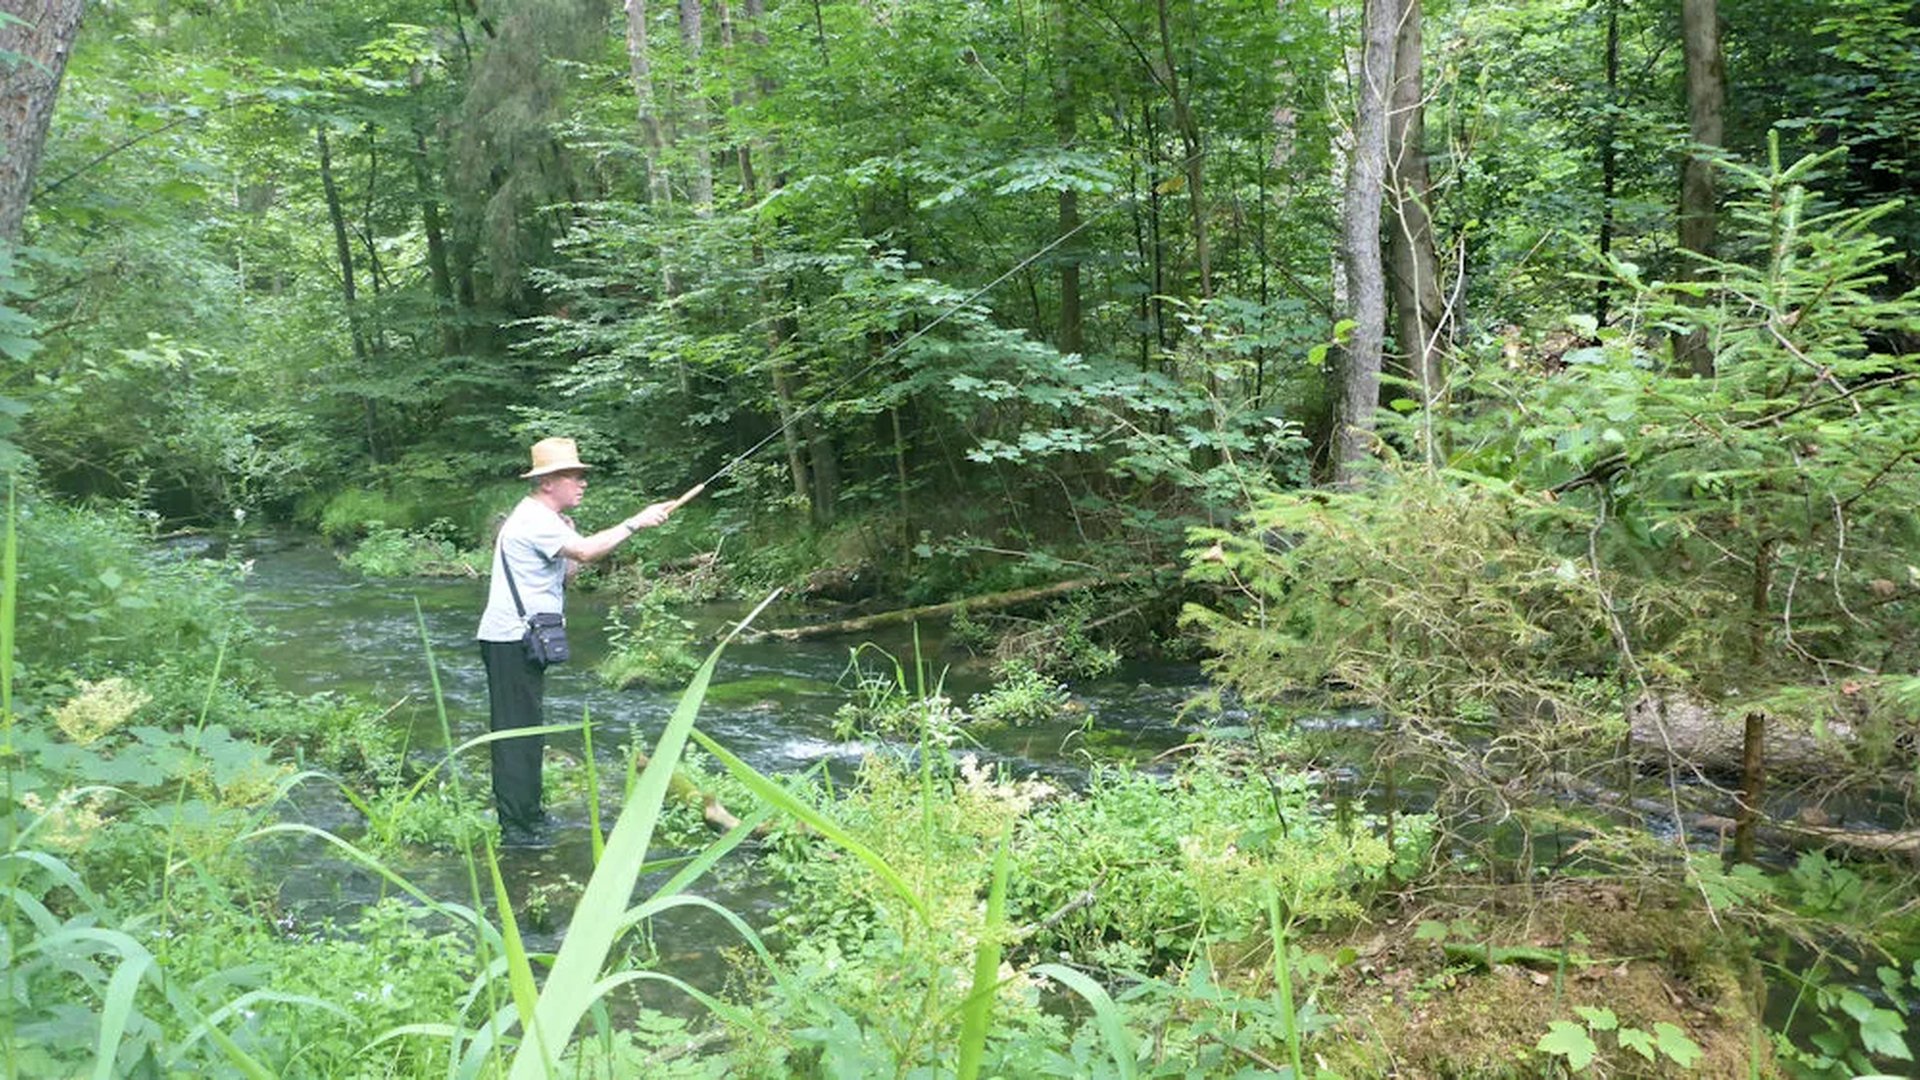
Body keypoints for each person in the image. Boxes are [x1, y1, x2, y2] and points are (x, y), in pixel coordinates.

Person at [477, 436, 683, 846]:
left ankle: (529, 818)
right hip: (510, 639)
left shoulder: (546, 519)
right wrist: (634, 522)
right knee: (516, 736)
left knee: (528, 732)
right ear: (548, 482)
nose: (582, 482)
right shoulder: (534, 518)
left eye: (582, 475)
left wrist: (570, 546)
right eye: (574, 476)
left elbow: (569, 572)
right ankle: (518, 832)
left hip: (520, 638)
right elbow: (588, 554)